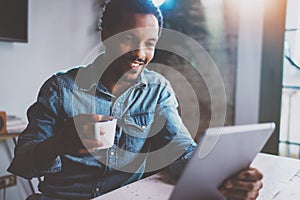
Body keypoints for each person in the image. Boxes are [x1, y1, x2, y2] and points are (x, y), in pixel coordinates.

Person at [8, 0, 263, 199]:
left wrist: (226, 180)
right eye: (128, 39)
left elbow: (181, 150)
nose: (140, 53)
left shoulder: (157, 91)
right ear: (106, 35)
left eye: (150, 43)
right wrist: (58, 143)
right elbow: (23, 163)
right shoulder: (60, 89)